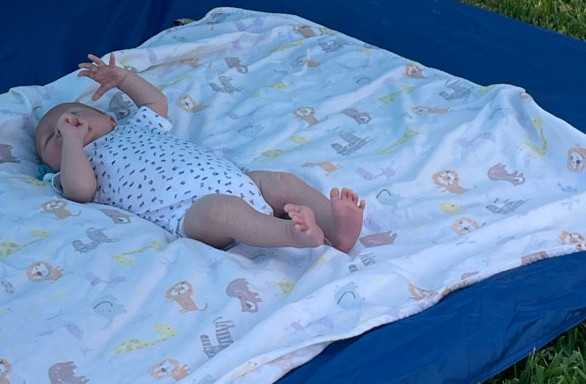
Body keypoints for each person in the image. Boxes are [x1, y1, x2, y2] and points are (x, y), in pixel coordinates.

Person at [34, 54, 364, 252]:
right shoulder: (79, 166)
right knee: (224, 211)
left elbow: (155, 102)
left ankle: (335, 227)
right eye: (51, 137)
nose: (64, 126)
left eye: (73, 115)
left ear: (109, 118)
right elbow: (81, 191)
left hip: (238, 180)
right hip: (190, 212)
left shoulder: (137, 125)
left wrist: (122, 78)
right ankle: (292, 234)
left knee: (282, 182)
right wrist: (73, 143)